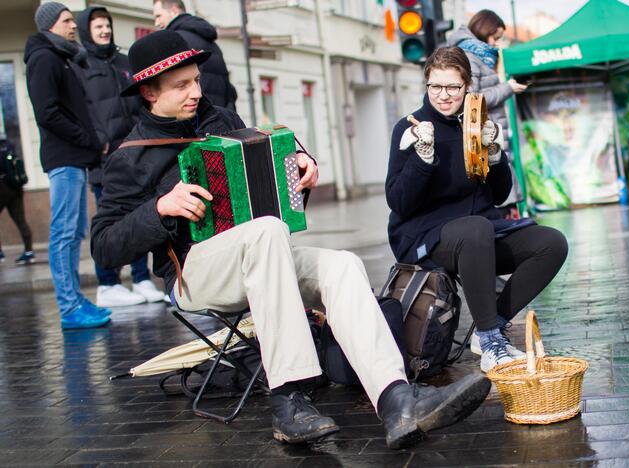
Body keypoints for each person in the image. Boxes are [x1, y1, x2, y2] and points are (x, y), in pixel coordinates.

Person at [91, 30, 490, 449]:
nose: (196, 91)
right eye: (182, 85)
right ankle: (288, 397)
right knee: (267, 232)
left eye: (196, 79)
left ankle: (395, 398)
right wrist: (158, 209)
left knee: (341, 265)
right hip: (194, 274)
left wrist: (300, 167)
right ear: (150, 92)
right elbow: (104, 245)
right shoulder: (129, 158)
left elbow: (273, 170)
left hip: (262, 256)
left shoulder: (221, 121)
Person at [385, 47, 568, 373]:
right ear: (426, 84)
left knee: (551, 243)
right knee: (476, 229)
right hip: (426, 234)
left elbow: (498, 196)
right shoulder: (410, 126)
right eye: (435, 86)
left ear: (467, 86)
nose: (443, 96)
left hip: (478, 233)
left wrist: (495, 153)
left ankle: (491, 325)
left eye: (453, 87)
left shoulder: (475, 125)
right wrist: (422, 159)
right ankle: (490, 343)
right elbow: (399, 203)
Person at [24, 2, 111, 329]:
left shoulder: (61, 57)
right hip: (64, 158)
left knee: (73, 231)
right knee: (63, 232)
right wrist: (87, 139)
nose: (73, 25)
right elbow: (47, 113)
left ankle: (75, 301)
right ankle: (69, 307)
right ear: (50, 26)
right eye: (66, 20)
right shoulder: (44, 59)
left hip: (74, 157)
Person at [75, 6, 165, 307]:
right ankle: (108, 283)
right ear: (86, 30)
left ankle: (141, 278)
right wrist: (97, 142)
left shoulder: (123, 62)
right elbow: (82, 111)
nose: (104, 30)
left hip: (135, 154)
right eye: (98, 26)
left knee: (141, 216)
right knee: (110, 219)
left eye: (107, 25)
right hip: (105, 159)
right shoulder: (81, 65)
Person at [448, 10, 528, 210]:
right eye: (495, 37)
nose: (496, 43)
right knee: (500, 204)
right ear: (483, 31)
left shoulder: (478, 55)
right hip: (485, 138)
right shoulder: (469, 56)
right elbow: (472, 99)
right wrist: (507, 88)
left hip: (490, 136)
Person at [152, 0, 237, 111]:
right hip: (220, 117)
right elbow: (228, 88)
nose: (156, 23)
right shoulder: (211, 43)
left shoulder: (175, 40)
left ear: (174, 11)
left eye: (159, 16)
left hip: (195, 116)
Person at [0, 138, 35, 265]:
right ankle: (29, 252)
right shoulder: (8, 144)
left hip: (2, 188)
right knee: (21, 221)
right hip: (16, 188)